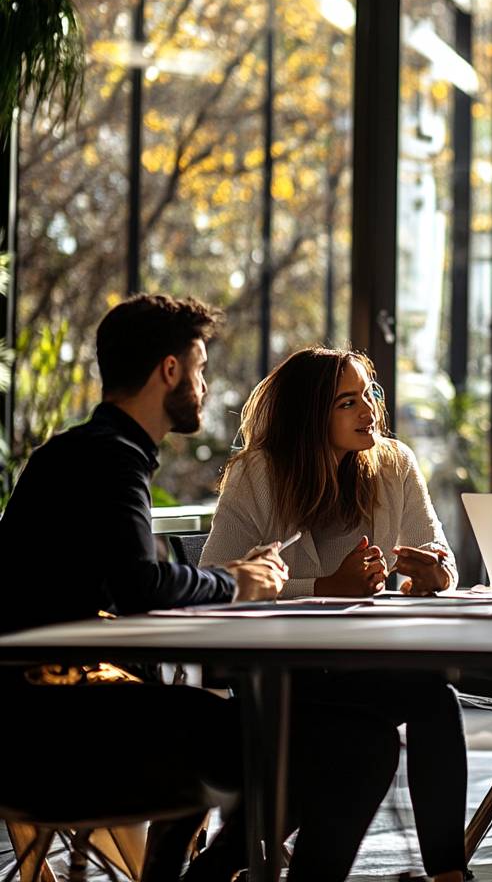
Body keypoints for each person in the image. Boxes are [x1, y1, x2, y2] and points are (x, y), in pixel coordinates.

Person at [0, 294, 288, 882]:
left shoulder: (67, 453)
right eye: (201, 368)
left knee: (232, 728)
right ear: (170, 370)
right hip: (57, 729)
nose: (205, 386)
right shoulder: (115, 458)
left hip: (19, 715)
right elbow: (142, 585)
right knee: (281, 748)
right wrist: (238, 581)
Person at [200, 346, 467, 882]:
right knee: (364, 742)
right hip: (279, 674)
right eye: (348, 402)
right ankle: (222, 863)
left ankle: (448, 874)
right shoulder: (257, 473)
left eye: (368, 394)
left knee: (434, 697)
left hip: (356, 663)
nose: (368, 408)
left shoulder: (394, 465)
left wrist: (435, 574)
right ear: (309, 417)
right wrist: (321, 586)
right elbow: (215, 584)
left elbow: (441, 560)